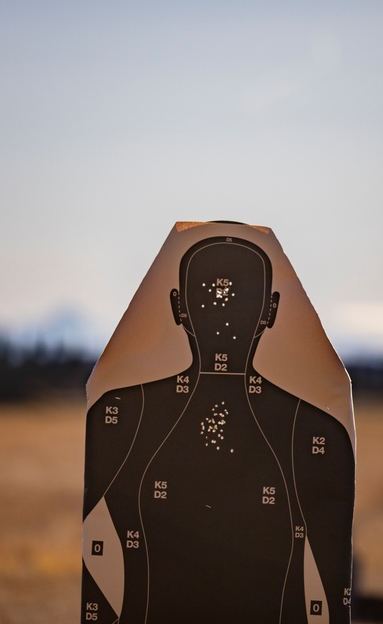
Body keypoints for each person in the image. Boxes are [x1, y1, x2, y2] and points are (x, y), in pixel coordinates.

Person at [82, 235, 354, 624]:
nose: (223, 308)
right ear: (179, 306)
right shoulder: (124, 412)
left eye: (238, 295)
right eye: (210, 292)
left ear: (270, 309)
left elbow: (333, 582)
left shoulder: (314, 431)